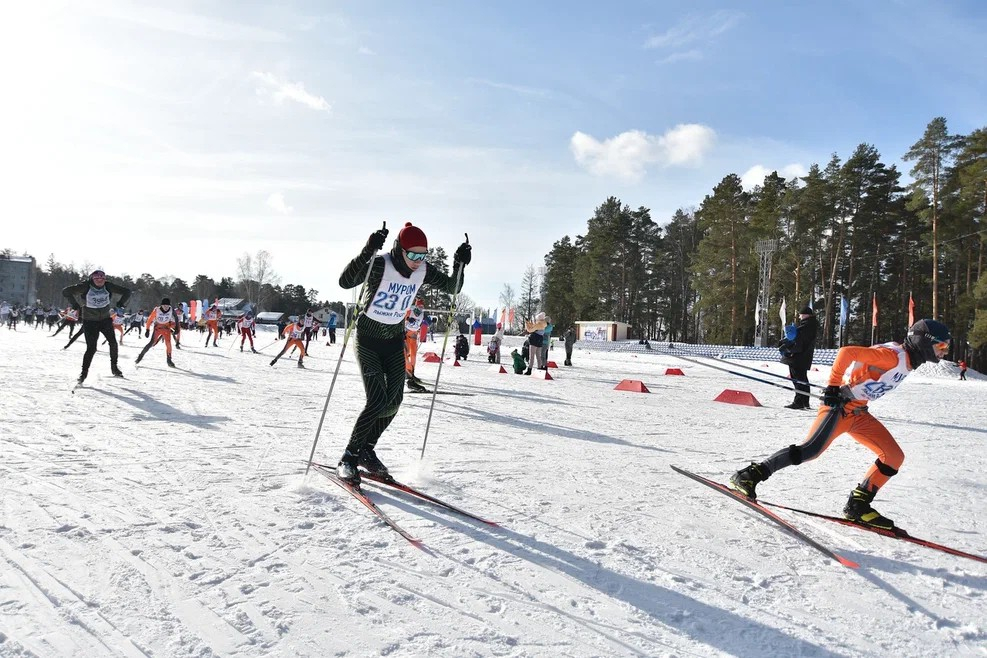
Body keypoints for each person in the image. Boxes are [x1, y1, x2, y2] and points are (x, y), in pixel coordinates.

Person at [729, 319, 952, 530]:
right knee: (810, 451)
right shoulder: (892, 357)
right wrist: (833, 387)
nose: (944, 351)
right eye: (941, 345)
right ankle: (749, 475)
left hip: (859, 412)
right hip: (839, 407)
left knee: (893, 456)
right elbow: (847, 352)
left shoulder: (906, 360)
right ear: (925, 341)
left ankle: (858, 505)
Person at [335, 222, 469, 484]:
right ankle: (349, 457)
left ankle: (366, 450)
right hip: (368, 340)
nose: (418, 261)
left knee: (394, 403)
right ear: (399, 249)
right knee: (376, 400)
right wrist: (368, 250)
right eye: (413, 255)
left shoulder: (423, 271)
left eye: (423, 255)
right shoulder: (381, 265)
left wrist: (459, 263)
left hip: (393, 341)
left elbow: (453, 287)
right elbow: (345, 281)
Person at [62, 270, 131, 384]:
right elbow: (66, 291)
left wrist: (121, 303)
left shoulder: (108, 286)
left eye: (103, 279)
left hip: (105, 320)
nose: (100, 281)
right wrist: (75, 304)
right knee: (91, 348)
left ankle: (114, 368)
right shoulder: (85, 286)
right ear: (92, 279)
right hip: (90, 322)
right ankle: (83, 374)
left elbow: (127, 292)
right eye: (97, 279)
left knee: (113, 343)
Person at [779, 306, 818, 410]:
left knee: (798, 379)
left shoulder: (806, 326)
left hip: (798, 357)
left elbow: (798, 341)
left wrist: (788, 350)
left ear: (805, 315)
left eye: (800, 315)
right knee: (802, 379)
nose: (800, 317)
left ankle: (799, 402)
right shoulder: (810, 325)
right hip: (803, 356)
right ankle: (805, 402)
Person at [135, 298, 177, 367]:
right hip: (158, 328)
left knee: (168, 344)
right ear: (161, 305)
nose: (166, 307)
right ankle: (140, 357)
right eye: (164, 306)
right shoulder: (157, 310)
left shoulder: (171, 310)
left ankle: (169, 360)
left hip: (166, 329)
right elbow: (150, 319)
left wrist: (176, 327)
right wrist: (147, 329)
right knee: (151, 343)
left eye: (167, 306)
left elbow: (175, 319)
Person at [404, 299, 427, 392]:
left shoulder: (421, 313)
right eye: (419, 306)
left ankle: (412, 375)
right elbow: (402, 317)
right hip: (406, 334)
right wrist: (408, 319)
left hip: (414, 335)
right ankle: (408, 377)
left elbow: (424, 321)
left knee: (413, 356)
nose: (420, 308)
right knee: (406, 355)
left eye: (422, 307)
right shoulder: (410, 310)